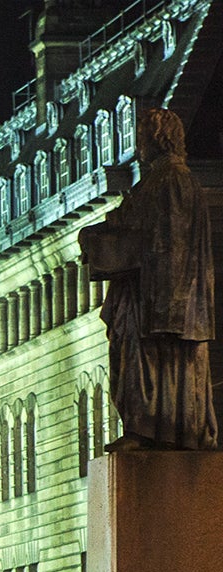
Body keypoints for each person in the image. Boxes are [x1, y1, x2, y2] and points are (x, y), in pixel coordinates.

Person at [80, 107, 218, 449]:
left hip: (159, 299)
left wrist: (100, 237)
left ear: (158, 140)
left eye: (142, 139)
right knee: (137, 361)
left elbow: (155, 241)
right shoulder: (163, 182)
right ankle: (153, 430)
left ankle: (150, 430)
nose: (139, 147)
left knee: (145, 363)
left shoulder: (170, 182)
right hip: (153, 294)